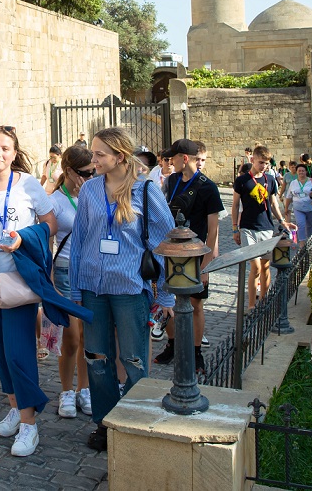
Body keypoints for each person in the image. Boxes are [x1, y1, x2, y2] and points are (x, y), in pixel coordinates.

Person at [0, 125, 85, 457]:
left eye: (5, 148)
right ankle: (16, 406)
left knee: (19, 352)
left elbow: (51, 224)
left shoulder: (28, 185)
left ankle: (29, 424)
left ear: (14, 153)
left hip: (18, 281)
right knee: (0, 353)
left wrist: (23, 237)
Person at [68, 127, 175, 452]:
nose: (93, 159)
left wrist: (166, 294)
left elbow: (167, 242)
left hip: (130, 288)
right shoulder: (89, 190)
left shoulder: (145, 190)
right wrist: (75, 289)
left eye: (100, 154)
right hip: (93, 288)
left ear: (120, 156)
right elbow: (79, 241)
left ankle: (133, 421)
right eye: (93, 153)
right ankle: (105, 422)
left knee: (133, 359)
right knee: (97, 358)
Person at [153, 139, 224, 372]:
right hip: (172, 251)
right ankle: (172, 345)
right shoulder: (172, 181)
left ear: (184, 158)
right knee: (167, 300)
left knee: (196, 304)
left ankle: (195, 352)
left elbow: (213, 230)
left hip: (195, 254)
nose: (169, 161)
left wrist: (206, 265)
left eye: (172, 157)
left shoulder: (208, 187)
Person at [48, 144, 96, 418]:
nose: (90, 177)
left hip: (91, 271)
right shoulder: (55, 201)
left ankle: (84, 388)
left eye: (93, 172)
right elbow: (48, 243)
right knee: (71, 336)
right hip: (65, 270)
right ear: (68, 171)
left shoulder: (95, 194)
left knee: (89, 335)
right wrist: (50, 279)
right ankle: (66, 390)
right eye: (85, 173)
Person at [231, 144, 297, 310]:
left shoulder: (270, 180)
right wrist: (235, 228)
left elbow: (273, 203)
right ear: (253, 159)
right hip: (247, 227)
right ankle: (251, 305)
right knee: (255, 266)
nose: (264, 166)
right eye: (261, 162)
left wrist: (282, 221)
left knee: (265, 267)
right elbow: (235, 204)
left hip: (266, 227)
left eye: (266, 163)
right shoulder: (242, 181)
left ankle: (263, 301)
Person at [283, 164, 312, 243]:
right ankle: (302, 243)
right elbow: (289, 196)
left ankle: (310, 241)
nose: (301, 172)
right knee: (300, 224)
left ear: (306, 172)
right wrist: (286, 208)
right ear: (297, 172)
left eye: (303, 171)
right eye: (299, 171)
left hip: (310, 207)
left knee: (310, 225)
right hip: (298, 208)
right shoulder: (293, 183)